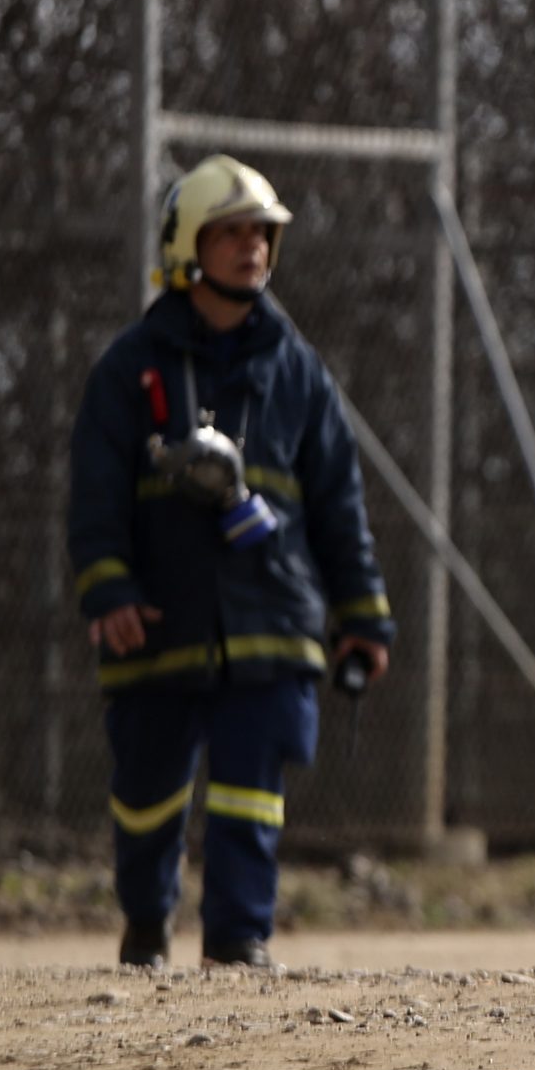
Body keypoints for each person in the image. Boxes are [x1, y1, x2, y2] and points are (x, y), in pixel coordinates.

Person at [67, 154, 396, 970]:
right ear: (188, 246)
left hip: (272, 618)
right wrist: (107, 585)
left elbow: (338, 505)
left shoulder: (301, 372)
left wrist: (362, 613)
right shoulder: (128, 369)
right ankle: (146, 924)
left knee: (253, 795)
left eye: (263, 233)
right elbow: (95, 495)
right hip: (159, 618)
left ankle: (238, 943)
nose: (252, 247)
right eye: (232, 232)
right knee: (147, 798)